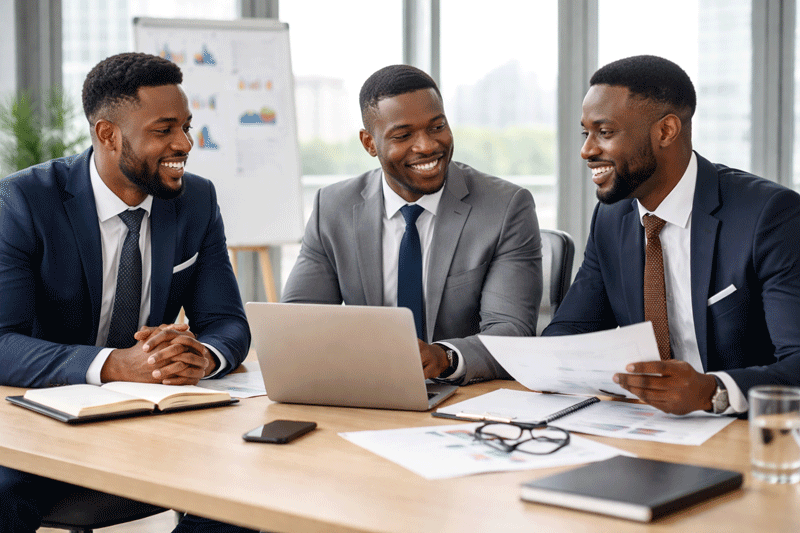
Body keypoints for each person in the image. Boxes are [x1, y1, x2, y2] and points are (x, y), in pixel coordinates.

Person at [0, 53, 254, 532]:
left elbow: (226, 322)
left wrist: (200, 357)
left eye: (186, 126)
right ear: (108, 134)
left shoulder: (197, 200)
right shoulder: (24, 201)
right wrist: (115, 364)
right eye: (164, 130)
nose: (185, 143)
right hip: (46, 419)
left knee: (247, 486)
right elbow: (2, 340)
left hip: (160, 419)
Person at [542, 55, 800, 416]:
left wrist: (711, 392)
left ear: (665, 131)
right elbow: (570, 332)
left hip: (742, 426)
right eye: (586, 133)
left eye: (605, 132)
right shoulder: (611, 217)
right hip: (643, 425)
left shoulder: (769, 215)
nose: (586, 150)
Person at [282, 64, 542, 384]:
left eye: (437, 127)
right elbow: (297, 322)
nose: (427, 146)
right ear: (369, 143)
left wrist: (444, 357)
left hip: (463, 392)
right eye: (403, 135)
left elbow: (512, 330)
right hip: (368, 388)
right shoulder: (333, 208)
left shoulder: (505, 207)